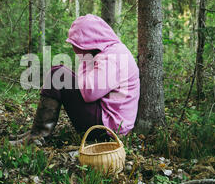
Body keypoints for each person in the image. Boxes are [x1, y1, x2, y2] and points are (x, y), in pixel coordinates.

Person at [10, 14, 140, 146]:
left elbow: (88, 93)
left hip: (108, 129)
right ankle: (36, 132)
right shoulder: (108, 52)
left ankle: (37, 136)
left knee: (59, 74)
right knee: (60, 73)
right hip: (108, 121)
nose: (75, 49)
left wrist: (85, 60)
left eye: (78, 44)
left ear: (91, 40)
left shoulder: (113, 57)